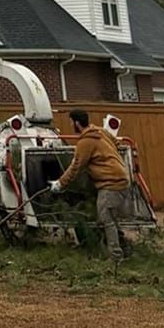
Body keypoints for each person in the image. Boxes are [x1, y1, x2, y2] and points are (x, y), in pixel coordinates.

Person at [50, 108, 131, 261]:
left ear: (77, 123)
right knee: (111, 218)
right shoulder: (100, 132)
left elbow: (76, 166)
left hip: (110, 183)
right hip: (121, 178)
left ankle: (115, 258)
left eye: (71, 122)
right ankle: (125, 249)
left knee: (106, 220)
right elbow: (117, 143)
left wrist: (60, 184)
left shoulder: (85, 142)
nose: (71, 125)